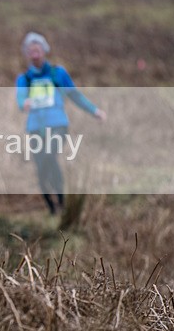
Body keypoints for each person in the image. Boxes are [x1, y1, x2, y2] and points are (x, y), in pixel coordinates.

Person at [15, 31, 106, 214]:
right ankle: (52, 208)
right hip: (35, 128)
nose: (34, 54)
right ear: (27, 54)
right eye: (30, 51)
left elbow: (74, 95)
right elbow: (20, 98)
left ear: (44, 50)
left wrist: (94, 111)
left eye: (37, 49)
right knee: (42, 168)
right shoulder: (24, 79)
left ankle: (63, 203)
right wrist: (23, 103)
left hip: (58, 125)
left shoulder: (58, 73)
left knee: (50, 154)